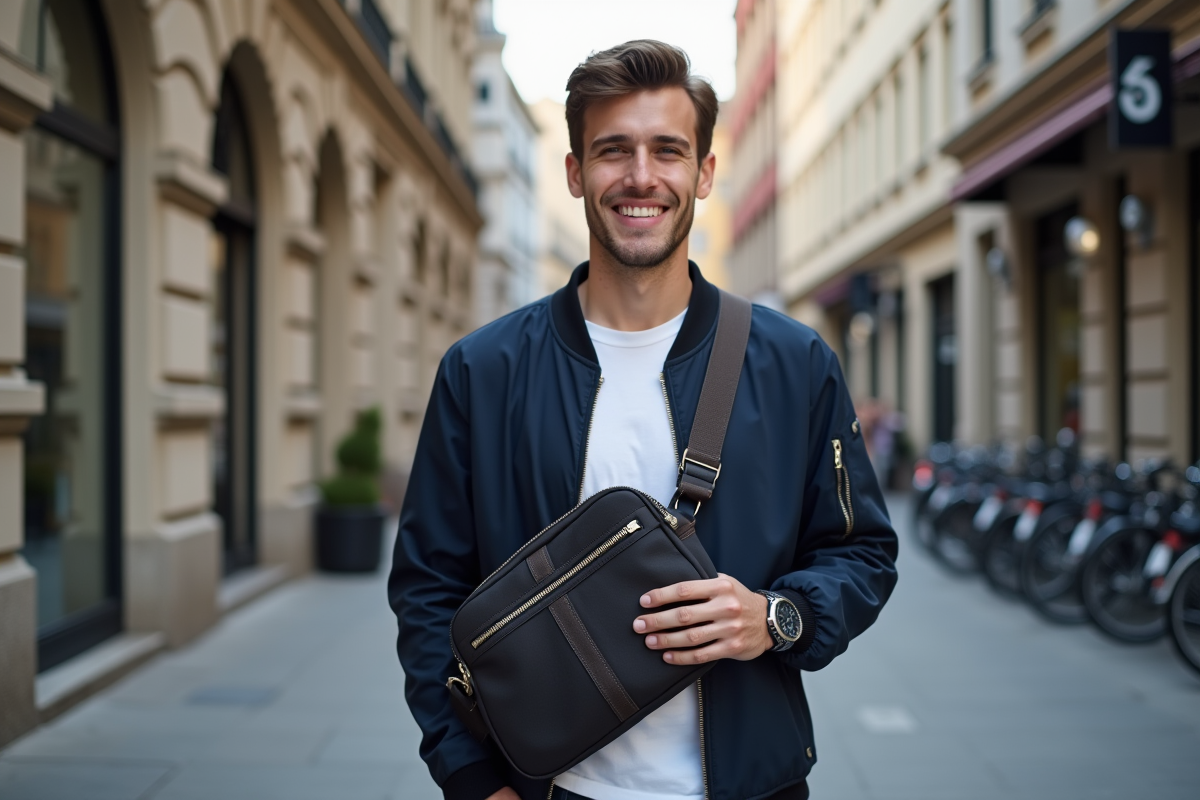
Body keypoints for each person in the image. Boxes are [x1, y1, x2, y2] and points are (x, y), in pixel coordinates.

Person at [389, 40, 898, 800]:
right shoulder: (482, 371)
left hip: (751, 784)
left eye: (668, 150)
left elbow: (862, 554)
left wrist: (777, 616)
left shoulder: (794, 363)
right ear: (574, 173)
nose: (640, 177)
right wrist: (468, 777)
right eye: (611, 151)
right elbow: (428, 590)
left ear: (704, 173)